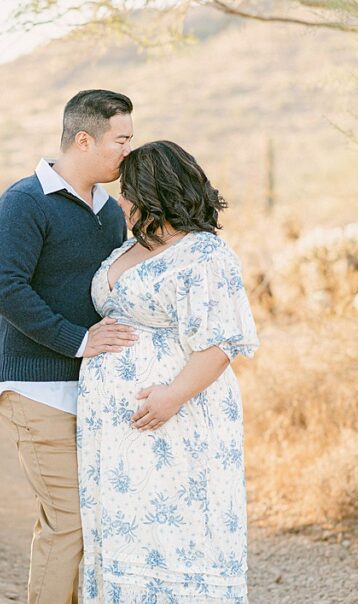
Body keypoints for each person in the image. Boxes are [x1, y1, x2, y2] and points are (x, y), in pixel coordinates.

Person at [77, 140, 260, 603]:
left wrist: (172, 396)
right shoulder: (131, 245)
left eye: (129, 191)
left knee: (176, 529)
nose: (121, 201)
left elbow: (219, 342)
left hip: (178, 419)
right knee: (125, 528)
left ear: (154, 193)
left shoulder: (205, 256)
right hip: (115, 429)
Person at [0, 89, 140, 604]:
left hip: (91, 392)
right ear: (83, 138)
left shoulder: (110, 212)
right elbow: (3, 288)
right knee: (69, 523)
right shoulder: (23, 202)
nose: (127, 150)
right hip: (36, 388)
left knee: (90, 522)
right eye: (121, 139)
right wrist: (78, 339)